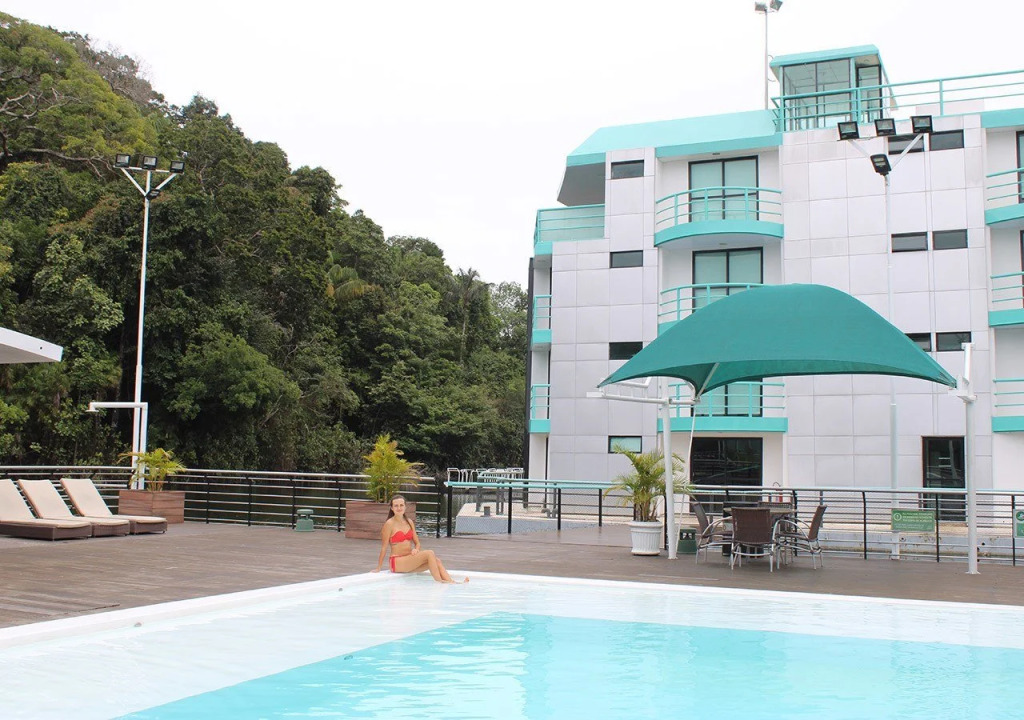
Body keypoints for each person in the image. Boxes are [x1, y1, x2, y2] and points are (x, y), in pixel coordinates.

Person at [373, 495, 467, 583]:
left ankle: (451, 582)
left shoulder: (409, 522)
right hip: (397, 562)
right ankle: (440, 582)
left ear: (405, 507)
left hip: (409, 559)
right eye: (396, 506)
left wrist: (416, 549)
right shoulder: (389, 524)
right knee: (429, 553)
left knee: (437, 561)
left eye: (401, 505)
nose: (399, 508)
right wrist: (378, 567)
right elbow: (384, 547)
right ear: (392, 508)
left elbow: (417, 543)